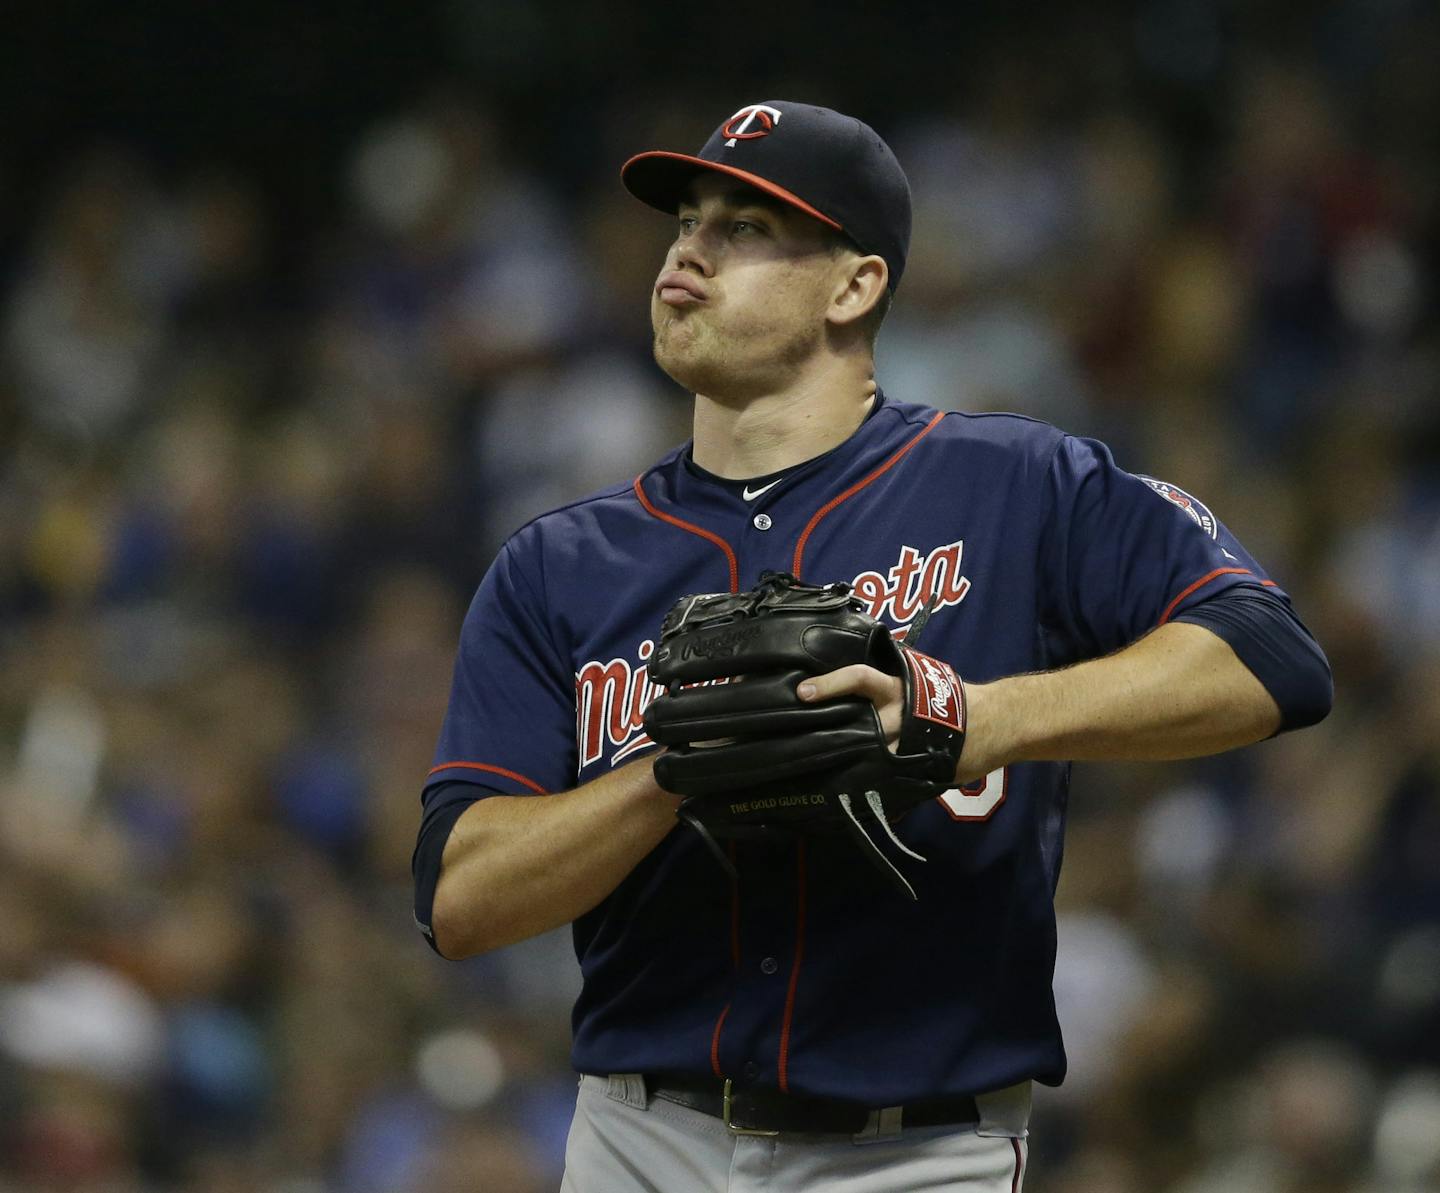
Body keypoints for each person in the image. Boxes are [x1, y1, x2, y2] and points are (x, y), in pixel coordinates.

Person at [411, 100, 1332, 1192]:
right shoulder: (558, 562)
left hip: (917, 1151)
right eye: (687, 220)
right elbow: (459, 897)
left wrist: (975, 717)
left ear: (856, 285)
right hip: (638, 1141)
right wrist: (673, 774)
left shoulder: (1014, 485)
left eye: (747, 227)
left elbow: (1271, 655)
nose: (691, 249)